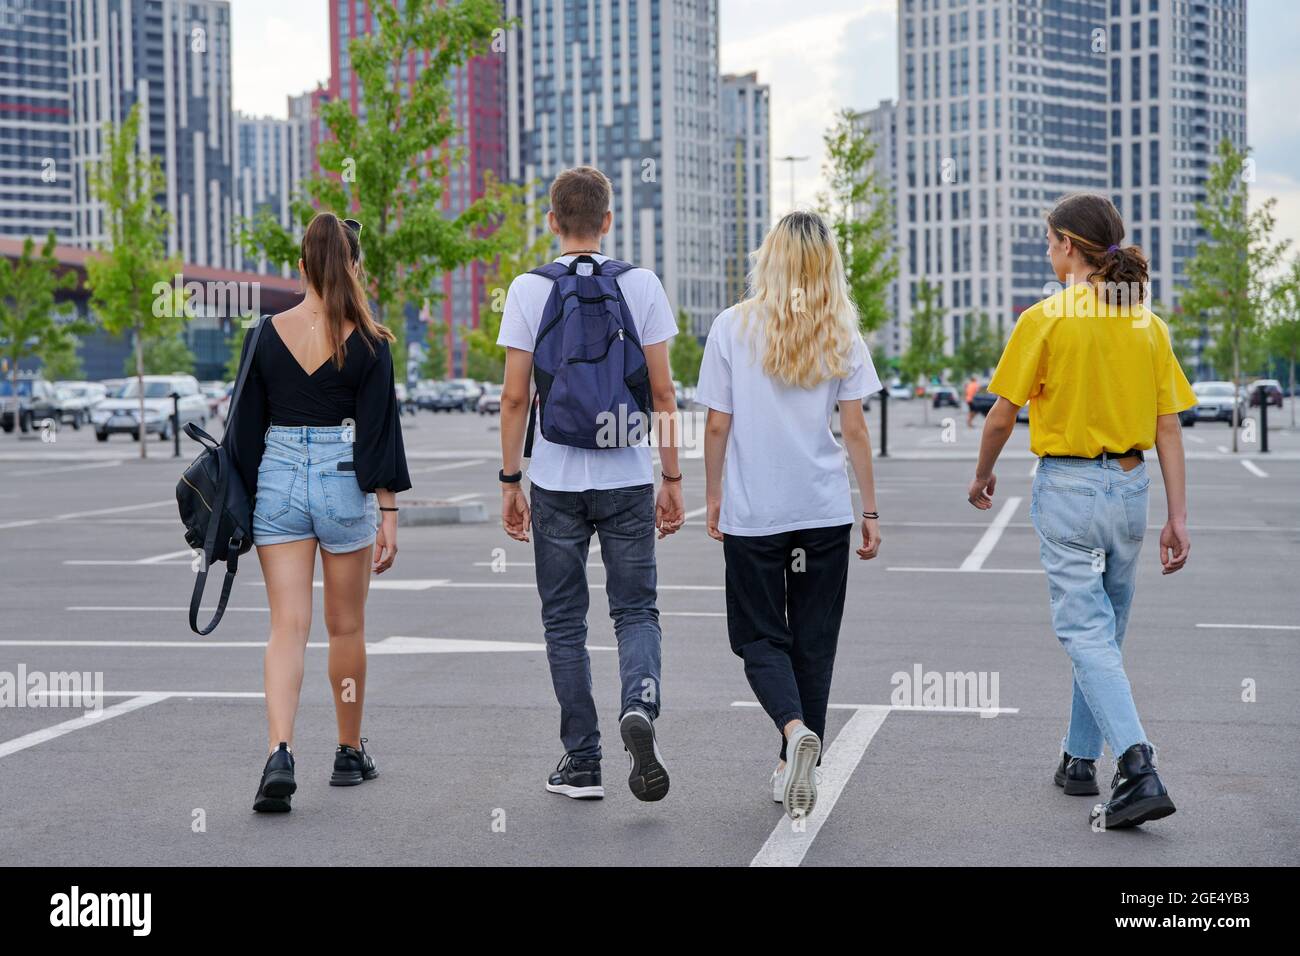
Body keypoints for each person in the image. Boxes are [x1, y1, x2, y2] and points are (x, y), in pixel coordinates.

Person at [968, 192, 1195, 829]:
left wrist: (982, 476)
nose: (1048, 251)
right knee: (1105, 633)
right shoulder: (1146, 324)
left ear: (1069, 246)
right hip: (1131, 489)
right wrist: (1179, 516)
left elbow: (1002, 414)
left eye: (1049, 241)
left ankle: (1137, 764)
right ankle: (1077, 757)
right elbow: (1169, 427)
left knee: (1085, 633)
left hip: (1069, 490)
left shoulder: (1046, 317)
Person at [496, 165, 685, 802]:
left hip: (554, 478)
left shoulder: (527, 289)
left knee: (563, 622)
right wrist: (674, 477)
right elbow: (662, 392)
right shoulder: (642, 284)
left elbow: (515, 398)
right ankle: (640, 706)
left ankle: (582, 760)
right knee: (635, 610)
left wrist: (508, 482)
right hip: (629, 472)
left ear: (552, 222)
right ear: (608, 222)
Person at [696, 211, 882, 820]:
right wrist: (870, 511)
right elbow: (854, 430)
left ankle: (793, 730)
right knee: (814, 641)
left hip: (756, 511)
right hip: (822, 510)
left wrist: (713, 493)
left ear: (770, 257)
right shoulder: (841, 334)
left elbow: (718, 423)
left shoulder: (731, 327)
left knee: (756, 636)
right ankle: (797, 760)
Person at [227, 212, 411, 813]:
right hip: (343, 478)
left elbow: (244, 431)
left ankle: (279, 752)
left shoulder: (263, 334)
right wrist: (388, 510)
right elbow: (380, 435)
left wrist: (243, 501)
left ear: (301, 266)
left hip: (277, 475)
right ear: (353, 265)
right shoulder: (371, 342)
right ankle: (348, 751)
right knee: (347, 627)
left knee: (287, 628)